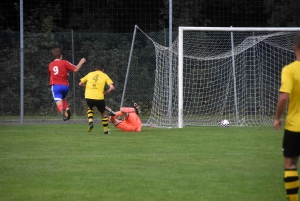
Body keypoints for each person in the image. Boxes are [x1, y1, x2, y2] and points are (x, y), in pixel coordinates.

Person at [274, 34, 300, 201]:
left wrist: (277, 117)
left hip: (295, 127)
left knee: (290, 164)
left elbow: (284, 97)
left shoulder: (290, 70)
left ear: (294, 48)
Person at [48, 46, 86, 121]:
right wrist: (81, 62)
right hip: (65, 86)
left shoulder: (51, 64)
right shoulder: (64, 62)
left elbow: (52, 75)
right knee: (63, 98)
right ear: (61, 56)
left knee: (59, 103)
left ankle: (63, 111)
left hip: (56, 86)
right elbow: (75, 69)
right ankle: (67, 109)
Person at [78, 63, 114, 134]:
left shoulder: (90, 74)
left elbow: (80, 84)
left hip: (89, 96)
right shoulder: (104, 75)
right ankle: (106, 130)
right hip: (99, 97)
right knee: (103, 113)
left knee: (89, 108)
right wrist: (106, 93)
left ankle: (90, 121)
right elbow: (112, 87)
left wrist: (87, 87)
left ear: (95, 69)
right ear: (103, 70)